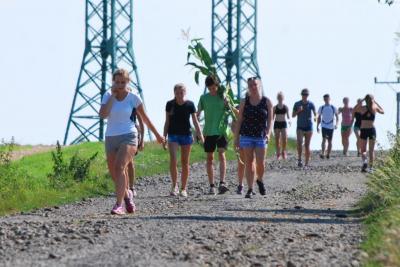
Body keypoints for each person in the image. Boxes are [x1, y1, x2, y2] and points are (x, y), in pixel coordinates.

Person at [99, 68, 164, 215]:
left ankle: (118, 205)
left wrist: (158, 136)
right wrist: (112, 97)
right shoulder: (108, 95)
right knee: (114, 173)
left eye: (123, 82)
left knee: (119, 167)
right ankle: (128, 195)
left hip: (129, 135)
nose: (120, 85)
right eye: (117, 82)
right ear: (113, 82)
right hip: (111, 137)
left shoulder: (133, 98)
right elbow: (103, 115)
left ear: (128, 82)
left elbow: (145, 118)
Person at [234, 77, 273, 198]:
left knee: (260, 163)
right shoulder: (244, 101)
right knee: (249, 162)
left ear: (259, 85)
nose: (253, 87)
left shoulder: (267, 101)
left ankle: (260, 180)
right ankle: (250, 188)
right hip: (246, 135)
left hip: (261, 135)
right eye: (250, 85)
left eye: (255, 85)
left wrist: (268, 133)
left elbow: (270, 119)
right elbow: (239, 120)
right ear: (248, 87)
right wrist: (236, 137)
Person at [163, 83, 204, 197]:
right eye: (177, 93)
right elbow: (167, 121)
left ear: (185, 93)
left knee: (185, 162)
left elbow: (195, 121)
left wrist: (200, 135)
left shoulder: (190, 104)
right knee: (173, 160)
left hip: (186, 135)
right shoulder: (170, 104)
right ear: (174, 93)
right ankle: (174, 186)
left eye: (182, 93)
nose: (180, 95)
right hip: (173, 135)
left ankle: (183, 188)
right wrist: (164, 136)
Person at [197, 75, 229, 195]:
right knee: (210, 158)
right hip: (208, 131)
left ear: (218, 85)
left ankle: (222, 182)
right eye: (210, 88)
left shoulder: (224, 96)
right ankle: (212, 185)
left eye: (214, 88)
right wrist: (197, 128)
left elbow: (231, 111)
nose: (212, 90)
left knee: (222, 154)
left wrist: (227, 103)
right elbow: (198, 113)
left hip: (221, 131)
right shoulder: (203, 98)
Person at [353, 94, 384, 172]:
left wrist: (362, 100)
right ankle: (371, 168)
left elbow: (354, 109)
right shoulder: (375, 107)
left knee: (363, 150)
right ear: (372, 100)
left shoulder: (362, 108)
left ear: (366, 101)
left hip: (363, 130)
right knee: (371, 150)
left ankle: (365, 161)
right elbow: (382, 111)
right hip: (372, 130)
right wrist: (375, 102)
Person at [292, 88, 316, 168]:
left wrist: (316, 117)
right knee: (299, 143)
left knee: (307, 145)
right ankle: (299, 159)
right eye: (303, 94)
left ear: (308, 95)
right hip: (300, 127)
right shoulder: (297, 104)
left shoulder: (311, 104)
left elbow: (315, 113)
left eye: (306, 94)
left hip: (309, 126)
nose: (305, 96)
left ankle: (306, 163)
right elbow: (293, 115)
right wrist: (298, 111)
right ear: (301, 95)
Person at [126, 107, 144, 197]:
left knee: (130, 162)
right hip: (118, 135)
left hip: (132, 134)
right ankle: (125, 186)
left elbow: (141, 122)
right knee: (121, 163)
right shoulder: (116, 102)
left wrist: (142, 140)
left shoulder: (134, 105)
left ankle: (131, 187)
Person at [317, 94, 339, 159]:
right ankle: (323, 153)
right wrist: (317, 126)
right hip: (323, 125)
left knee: (329, 140)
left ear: (329, 99)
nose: (326, 100)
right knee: (323, 139)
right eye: (325, 99)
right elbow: (319, 117)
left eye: (327, 98)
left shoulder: (333, 107)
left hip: (331, 126)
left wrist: (337, 124)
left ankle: (328, 154)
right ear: (324, 99)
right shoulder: (321, 107)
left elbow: (337, 117)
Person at [273, 92, 290, 160]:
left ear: (283, 98)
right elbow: (272, 117)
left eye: (281, 97)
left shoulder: (285, 107)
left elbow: (288, 117)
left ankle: (283, 151)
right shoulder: (275, 107)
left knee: (285, 138)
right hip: (277, 123)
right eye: (279, 97)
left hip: (283, 123)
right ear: (277, 98)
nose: (280, 98)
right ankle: (278, 152)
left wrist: (289, 121)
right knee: (277, 139)